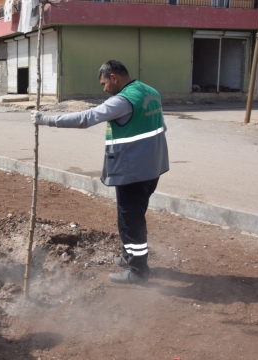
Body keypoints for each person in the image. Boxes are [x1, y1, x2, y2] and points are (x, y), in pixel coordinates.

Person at [32, 60, 169, 284]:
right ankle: (129, 257)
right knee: (136, 214)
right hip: (153, 167)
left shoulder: (123, 101)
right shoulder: (149, 92)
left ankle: (138, 271)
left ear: (114, 77)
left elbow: (87, 118)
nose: (104, 89)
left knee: (130, 221)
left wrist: (46, 120)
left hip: (133, 172)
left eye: (104, 83)